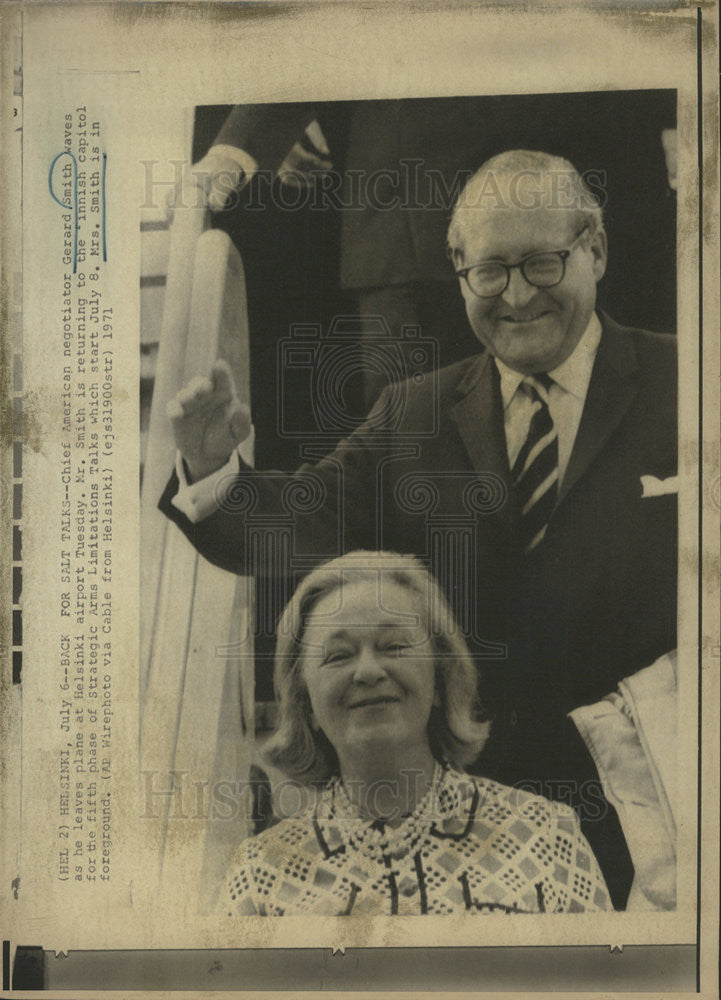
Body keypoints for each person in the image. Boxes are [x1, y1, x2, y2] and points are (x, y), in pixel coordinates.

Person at [161, 149, 677, 907]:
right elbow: (299, 522)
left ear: (595, 249)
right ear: (458, 269)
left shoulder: (694, 384)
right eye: (488, 271)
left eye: (541, 263)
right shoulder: (414, 413)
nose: (516, 296)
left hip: (669, 806)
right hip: (489, 830)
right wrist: (213, 468)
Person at [226, 552, 611, 916]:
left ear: (441, 680)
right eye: (338, 655)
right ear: (304, 703)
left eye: (394, 646)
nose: (368, 672)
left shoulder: (545, 835)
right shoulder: (259, 875)